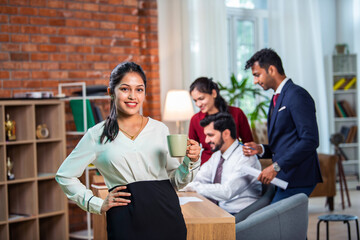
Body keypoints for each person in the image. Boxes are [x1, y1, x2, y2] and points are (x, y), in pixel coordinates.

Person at [56, 62, 201, 240]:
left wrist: (191, 161)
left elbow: (176, 181)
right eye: (125, 89)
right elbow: (64, 175)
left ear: (144, 93)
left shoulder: (160, 129)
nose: (133, 96)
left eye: (139, 90)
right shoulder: (96, 135)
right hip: (125, 221)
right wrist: (96, 204)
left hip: (167, 217)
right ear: (111, 92)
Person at [243, 48, 322, 203]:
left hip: (298, 177)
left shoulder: (297, 95)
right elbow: (285, 142)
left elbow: (310, 140)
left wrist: (275, 167)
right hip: (284, 177)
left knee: (276, 223)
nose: (255, 81)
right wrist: (261, 149)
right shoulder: (277, 98)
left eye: (257, 75)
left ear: (271, 69)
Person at [182, 112, 262, 214]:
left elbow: (227, 191)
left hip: (241, 216)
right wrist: (180, 182)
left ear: (226, 134)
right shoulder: (217, 156)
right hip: (221, 211)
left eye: (210, 135)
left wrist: (192, 187)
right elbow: (200, 177)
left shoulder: (246, 157)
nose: (206, 140)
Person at [189, 77, 253, 165]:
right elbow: (191, 149)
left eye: (201, 98)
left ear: (214, 93)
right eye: (195, 100)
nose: (198, 104)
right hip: (207, 166)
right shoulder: (195, 120)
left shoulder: (237, 113)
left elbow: (249, 144)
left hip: (234, 164)